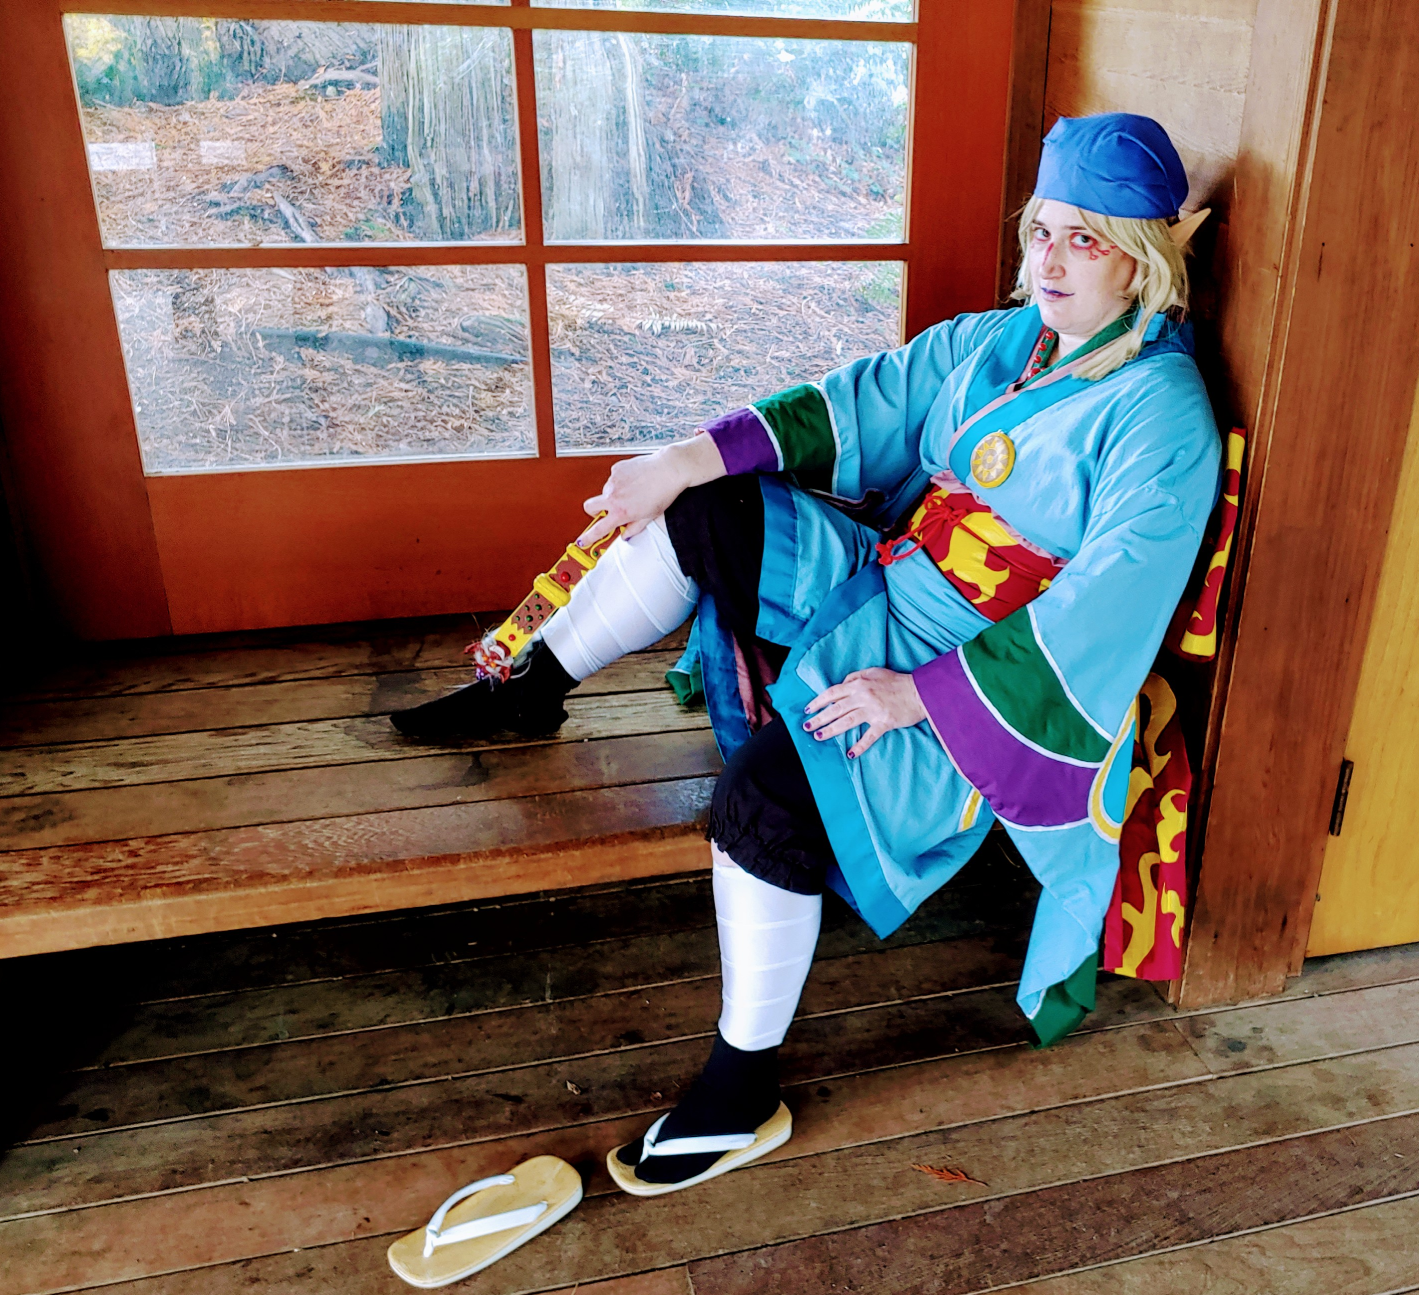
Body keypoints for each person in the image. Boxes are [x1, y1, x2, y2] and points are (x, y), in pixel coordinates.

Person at [392, 112, 1222, 1195]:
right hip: (892, 572)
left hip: (978, 668)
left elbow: (1105, 616)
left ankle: (741, 1092)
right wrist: (678, 459)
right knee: (709, 508)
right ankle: (534, 689)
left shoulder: (1164, 418)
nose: (1047, 262)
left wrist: (919, 695)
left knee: (762, 805)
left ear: (1147, 260)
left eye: (1085, 241)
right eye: (1041, 232)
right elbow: (861, 396)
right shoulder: (1005, 341)